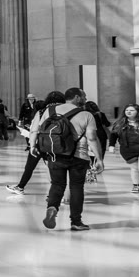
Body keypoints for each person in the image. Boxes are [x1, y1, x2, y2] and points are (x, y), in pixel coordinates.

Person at [41, 88, 102, 231]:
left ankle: (52, 208)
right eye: (84, 96)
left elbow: (41, 131)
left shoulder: (49, 111)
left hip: (55, 154)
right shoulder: (86, 114)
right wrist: (99, 158)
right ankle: (76, 221)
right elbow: (92, 138)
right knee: (76, 187)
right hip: (79, 156)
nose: (85, 99)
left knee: (57, 184)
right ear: (76, 97)